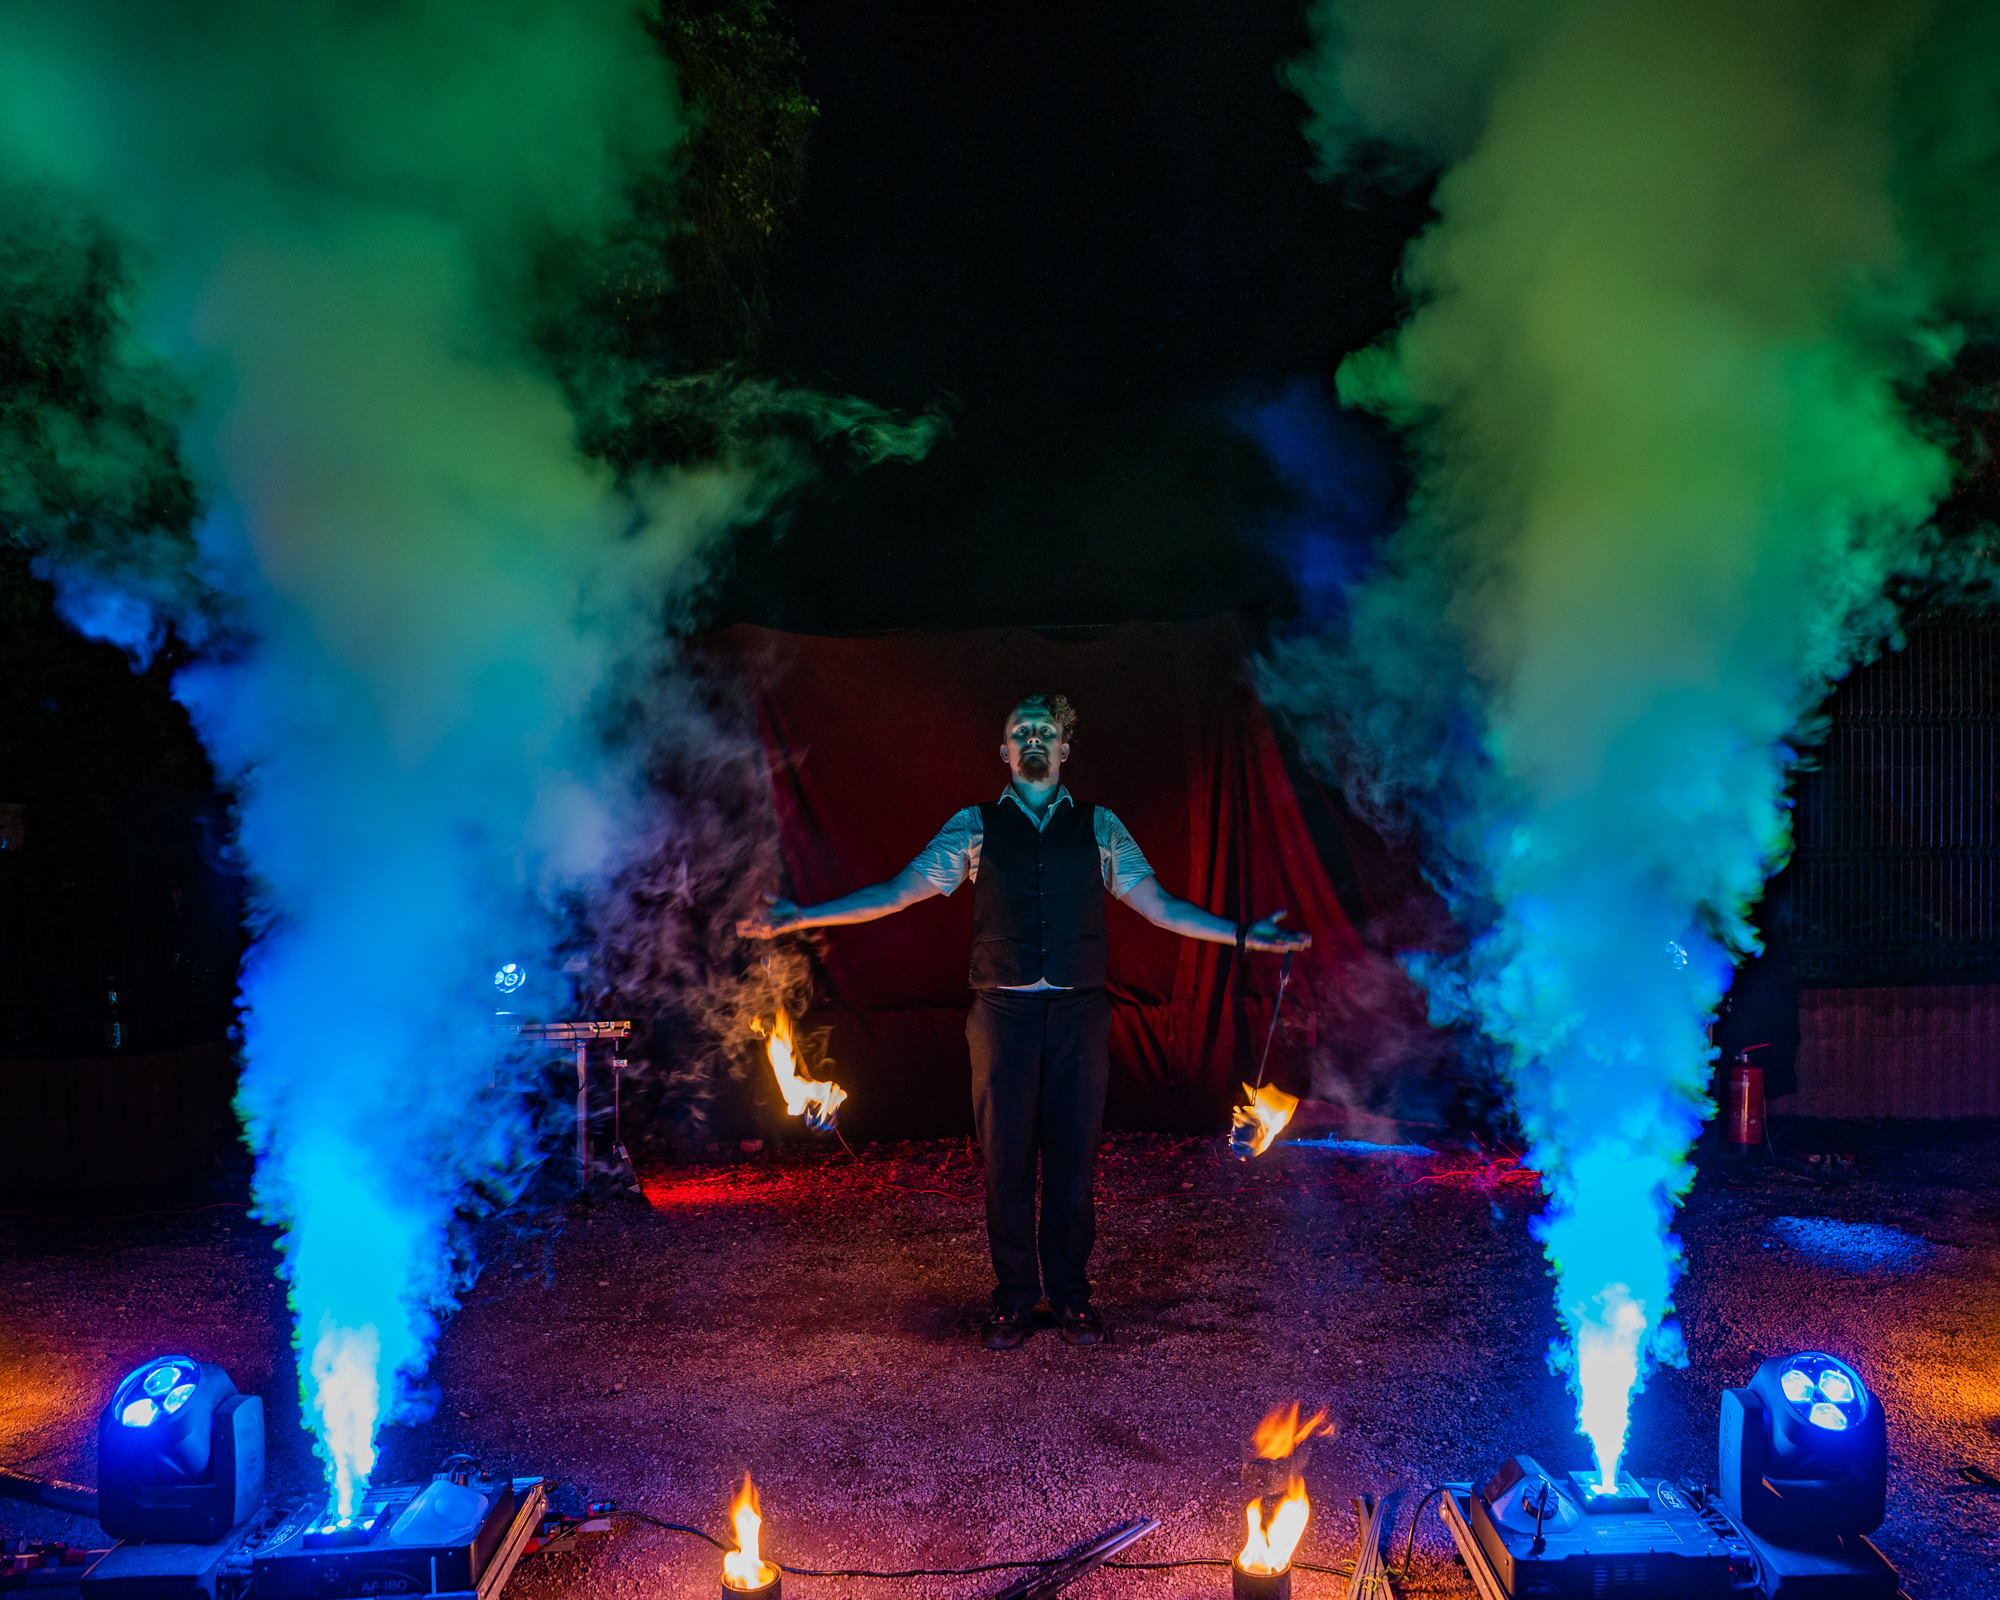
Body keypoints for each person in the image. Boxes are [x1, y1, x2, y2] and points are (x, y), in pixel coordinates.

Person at [737, 692, 1310, 1350]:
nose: (1033, 738)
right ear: (1005, 752)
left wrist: (1245, 935)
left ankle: (1070, 1296)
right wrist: (801, 915)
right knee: (1006, 1162)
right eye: (1021, 731)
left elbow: (1160, 906)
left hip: (1077, 1015)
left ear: (1064, 749)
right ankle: (1012, 1300)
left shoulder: (1099, 826)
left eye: (1045, 730)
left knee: (1072, 1162)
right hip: (1001, 1015)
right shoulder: (973, 827)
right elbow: (896, 893)